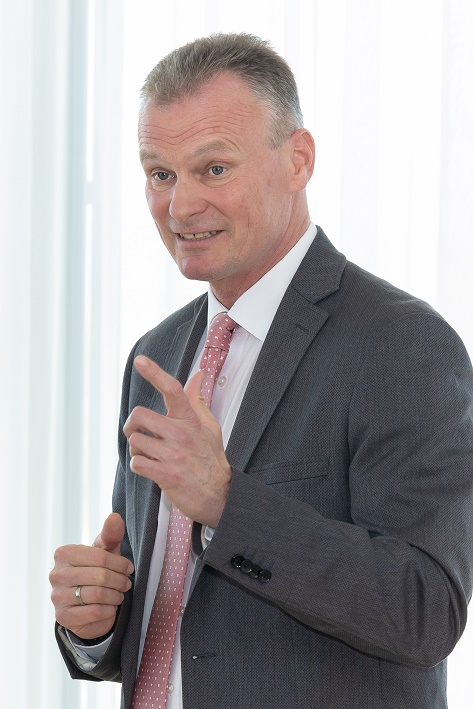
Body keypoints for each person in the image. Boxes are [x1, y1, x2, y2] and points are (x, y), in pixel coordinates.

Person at [50, 33, 473, 709]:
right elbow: (176, 624)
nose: (180, 206)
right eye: (160, 174)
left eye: (214, 168)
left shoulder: (401, 343)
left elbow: (424, 610)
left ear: (298, 159)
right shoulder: (155, 355)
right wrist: (94, 623)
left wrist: (227, 503)